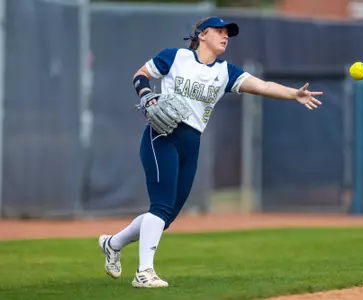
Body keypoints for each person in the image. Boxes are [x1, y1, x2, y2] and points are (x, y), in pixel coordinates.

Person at [98, 16, 323, 288]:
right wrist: (147, 95)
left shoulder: (225, 72)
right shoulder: (176, 57)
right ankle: (144, 272)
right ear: (202, 35)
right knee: (160, 206)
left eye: (227, 33)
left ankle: (113, 243)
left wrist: (293, 94)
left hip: (191, 143)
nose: (225, 36)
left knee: (165, 216)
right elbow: (140, 74)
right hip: (163, 135)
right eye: (219, 31)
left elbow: (262, 86)